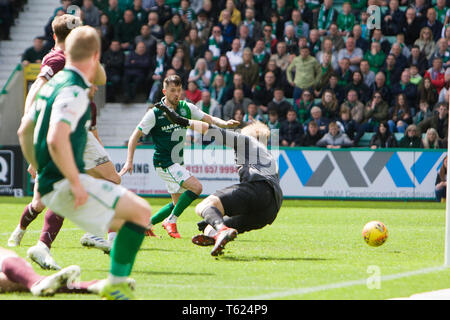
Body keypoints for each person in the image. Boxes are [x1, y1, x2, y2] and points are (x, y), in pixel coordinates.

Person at [17, 26, 151, 300]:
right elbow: (56, 139)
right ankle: (116, 283)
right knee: (140, 212)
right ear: (95, 55)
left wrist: (37, 168)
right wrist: (75, 182)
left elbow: (24, 130)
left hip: (51, 183)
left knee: (128, 216)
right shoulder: (75, 91)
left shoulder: (52, 84)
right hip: (64, 184)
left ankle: (106, 265)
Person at [8, 15, 120, 270]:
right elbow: (37, 87)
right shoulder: (57, 60)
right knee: (50, 198)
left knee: (103, 181)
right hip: (62, 131)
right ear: (67, 37)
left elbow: (97, 82)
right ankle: (45, 239)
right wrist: (30, 126)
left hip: (76, 130)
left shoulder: (72, 60)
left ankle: (81, 238)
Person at [120, 75, 240, 238]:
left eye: (178, 90)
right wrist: (129, 161)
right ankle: (171, 221)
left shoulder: (186, 107)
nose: (177, 94)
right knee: (197, 188)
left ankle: (145, 225)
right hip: (164, 162)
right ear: (164, 91)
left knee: (177, 203)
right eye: (172, 91)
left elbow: (208, 118)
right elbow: (135, 136)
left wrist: (224, 123)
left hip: (177, 162)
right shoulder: (155, 113)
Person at [154, 106, 283, 256]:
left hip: (258, 188)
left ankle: (221, 231)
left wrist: (180, 120)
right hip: (271, 209)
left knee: (204, 206)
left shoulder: (247, 141)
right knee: (209, 224)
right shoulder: (268, 156)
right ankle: (217, 236)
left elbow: (212, 131)